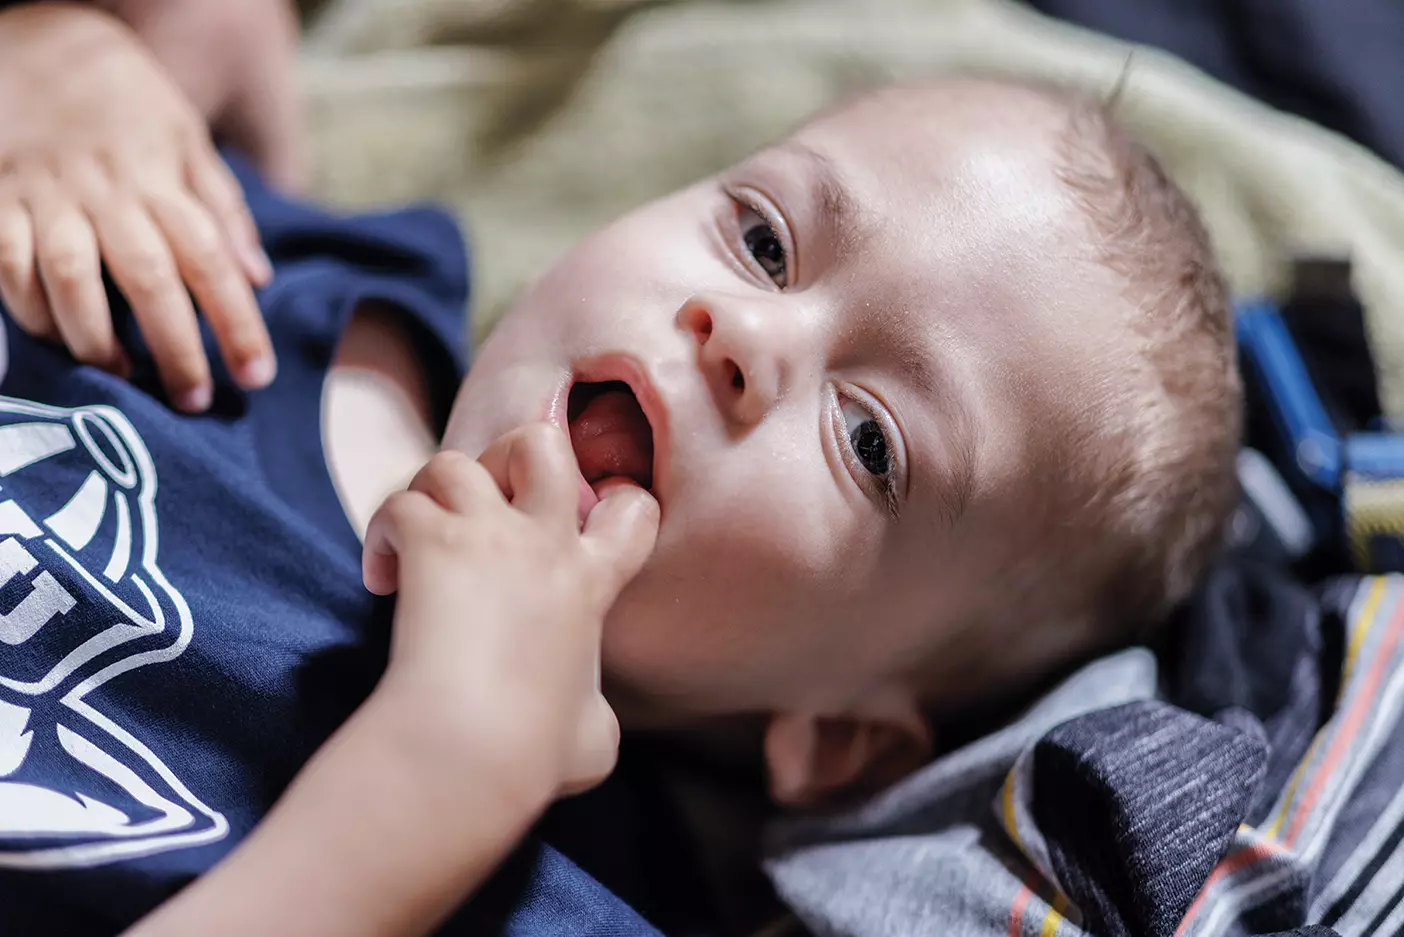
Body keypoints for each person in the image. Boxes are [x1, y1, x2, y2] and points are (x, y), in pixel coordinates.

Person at [0, 2, 1241, 934]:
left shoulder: (543, 896)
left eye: (873, 441)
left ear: (837, 737)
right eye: (762, 238)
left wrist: (441, 775)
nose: (749, 335)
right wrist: (61, 60)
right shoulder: (263, 262)